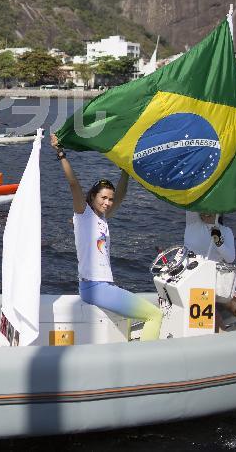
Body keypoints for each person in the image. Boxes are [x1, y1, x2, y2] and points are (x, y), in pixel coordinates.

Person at [51, 133, 162, 342]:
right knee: (155, 315)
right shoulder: (84, 215)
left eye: (109, 199)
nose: (108, 202)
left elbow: (120, 196)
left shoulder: (102, 218)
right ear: (92, 196)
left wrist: (125, 171)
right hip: (94, 287)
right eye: (103, 197)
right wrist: (61, 154)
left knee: (128, 319)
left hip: (103, 286)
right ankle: (146, 364)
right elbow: (74, 184)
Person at [183, 211, 236, 329]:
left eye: (209, 210)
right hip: (195, 283)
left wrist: (216, 236)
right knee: (217, 321)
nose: (205, 212)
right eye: (202, 209)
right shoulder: (192, 224)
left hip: (217, 283)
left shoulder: (226, 231)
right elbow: (191, 199)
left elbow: (230, 258)